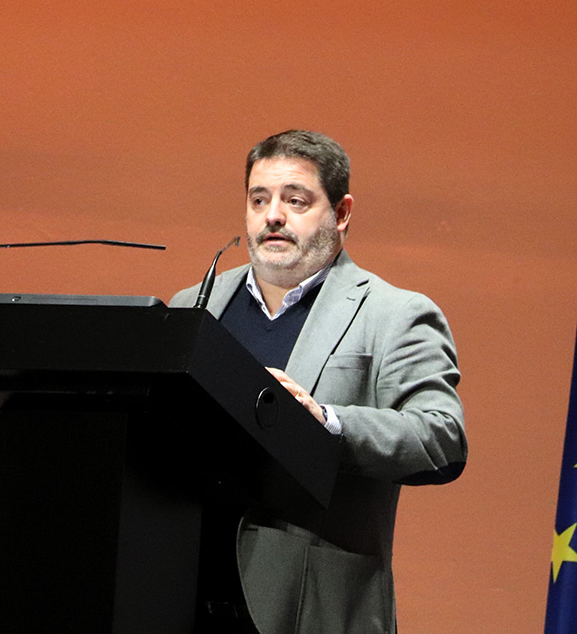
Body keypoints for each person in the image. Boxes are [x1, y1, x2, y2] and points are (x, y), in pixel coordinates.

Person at [169, 129, 467, 634]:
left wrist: (326, 423)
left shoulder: (394, 314)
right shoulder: (191, 308)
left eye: (295, 200)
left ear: (342, 213)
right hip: (177, 592)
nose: (273, 216)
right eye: (258, 199)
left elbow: (441, 436)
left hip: (310, 607)